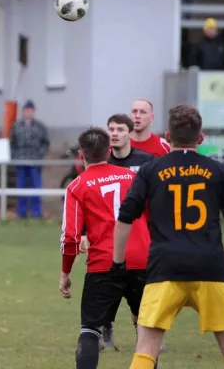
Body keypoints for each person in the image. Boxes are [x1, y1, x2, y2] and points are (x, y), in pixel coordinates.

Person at [112, 104, 224, 369]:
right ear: (201, 137)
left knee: (146, 349)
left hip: (164, 267)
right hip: (210, 268)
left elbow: (126, 215)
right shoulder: (218, 171)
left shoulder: (151, 170)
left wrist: (117, 263)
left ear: (167, 136)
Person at [60, 126, 151, 369]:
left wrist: (66, 273)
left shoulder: (77, 186)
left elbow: (70, 237)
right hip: (142, 261)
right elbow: (153, 218)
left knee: (90, 329)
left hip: (104, 264)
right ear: (109, 151)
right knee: (146, 330)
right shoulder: (133, 178)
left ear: (81, 154)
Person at [83, 114, 155, 351]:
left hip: (138, 240)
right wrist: (84, 233)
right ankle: (106, 331)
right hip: (107, 242)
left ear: (129, 133)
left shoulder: (145, 162)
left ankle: (143, 339)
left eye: (119, 129)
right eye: (110, 129)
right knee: (109, 289)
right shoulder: (100, 161)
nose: (114, 133)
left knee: (139, 302)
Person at [9, 100, 50, 218]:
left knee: (35, 187)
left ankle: (36, 212)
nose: (28, 113)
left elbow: (45, 143)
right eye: (26, 111)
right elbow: (12, 144)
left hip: (34, 162)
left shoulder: (40, 127)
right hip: (20, 161)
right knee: (21, 187)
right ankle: (21, 212)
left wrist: (39, 155)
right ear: (23, 112)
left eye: (30, 111)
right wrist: (15, 156)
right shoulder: (16, 126)